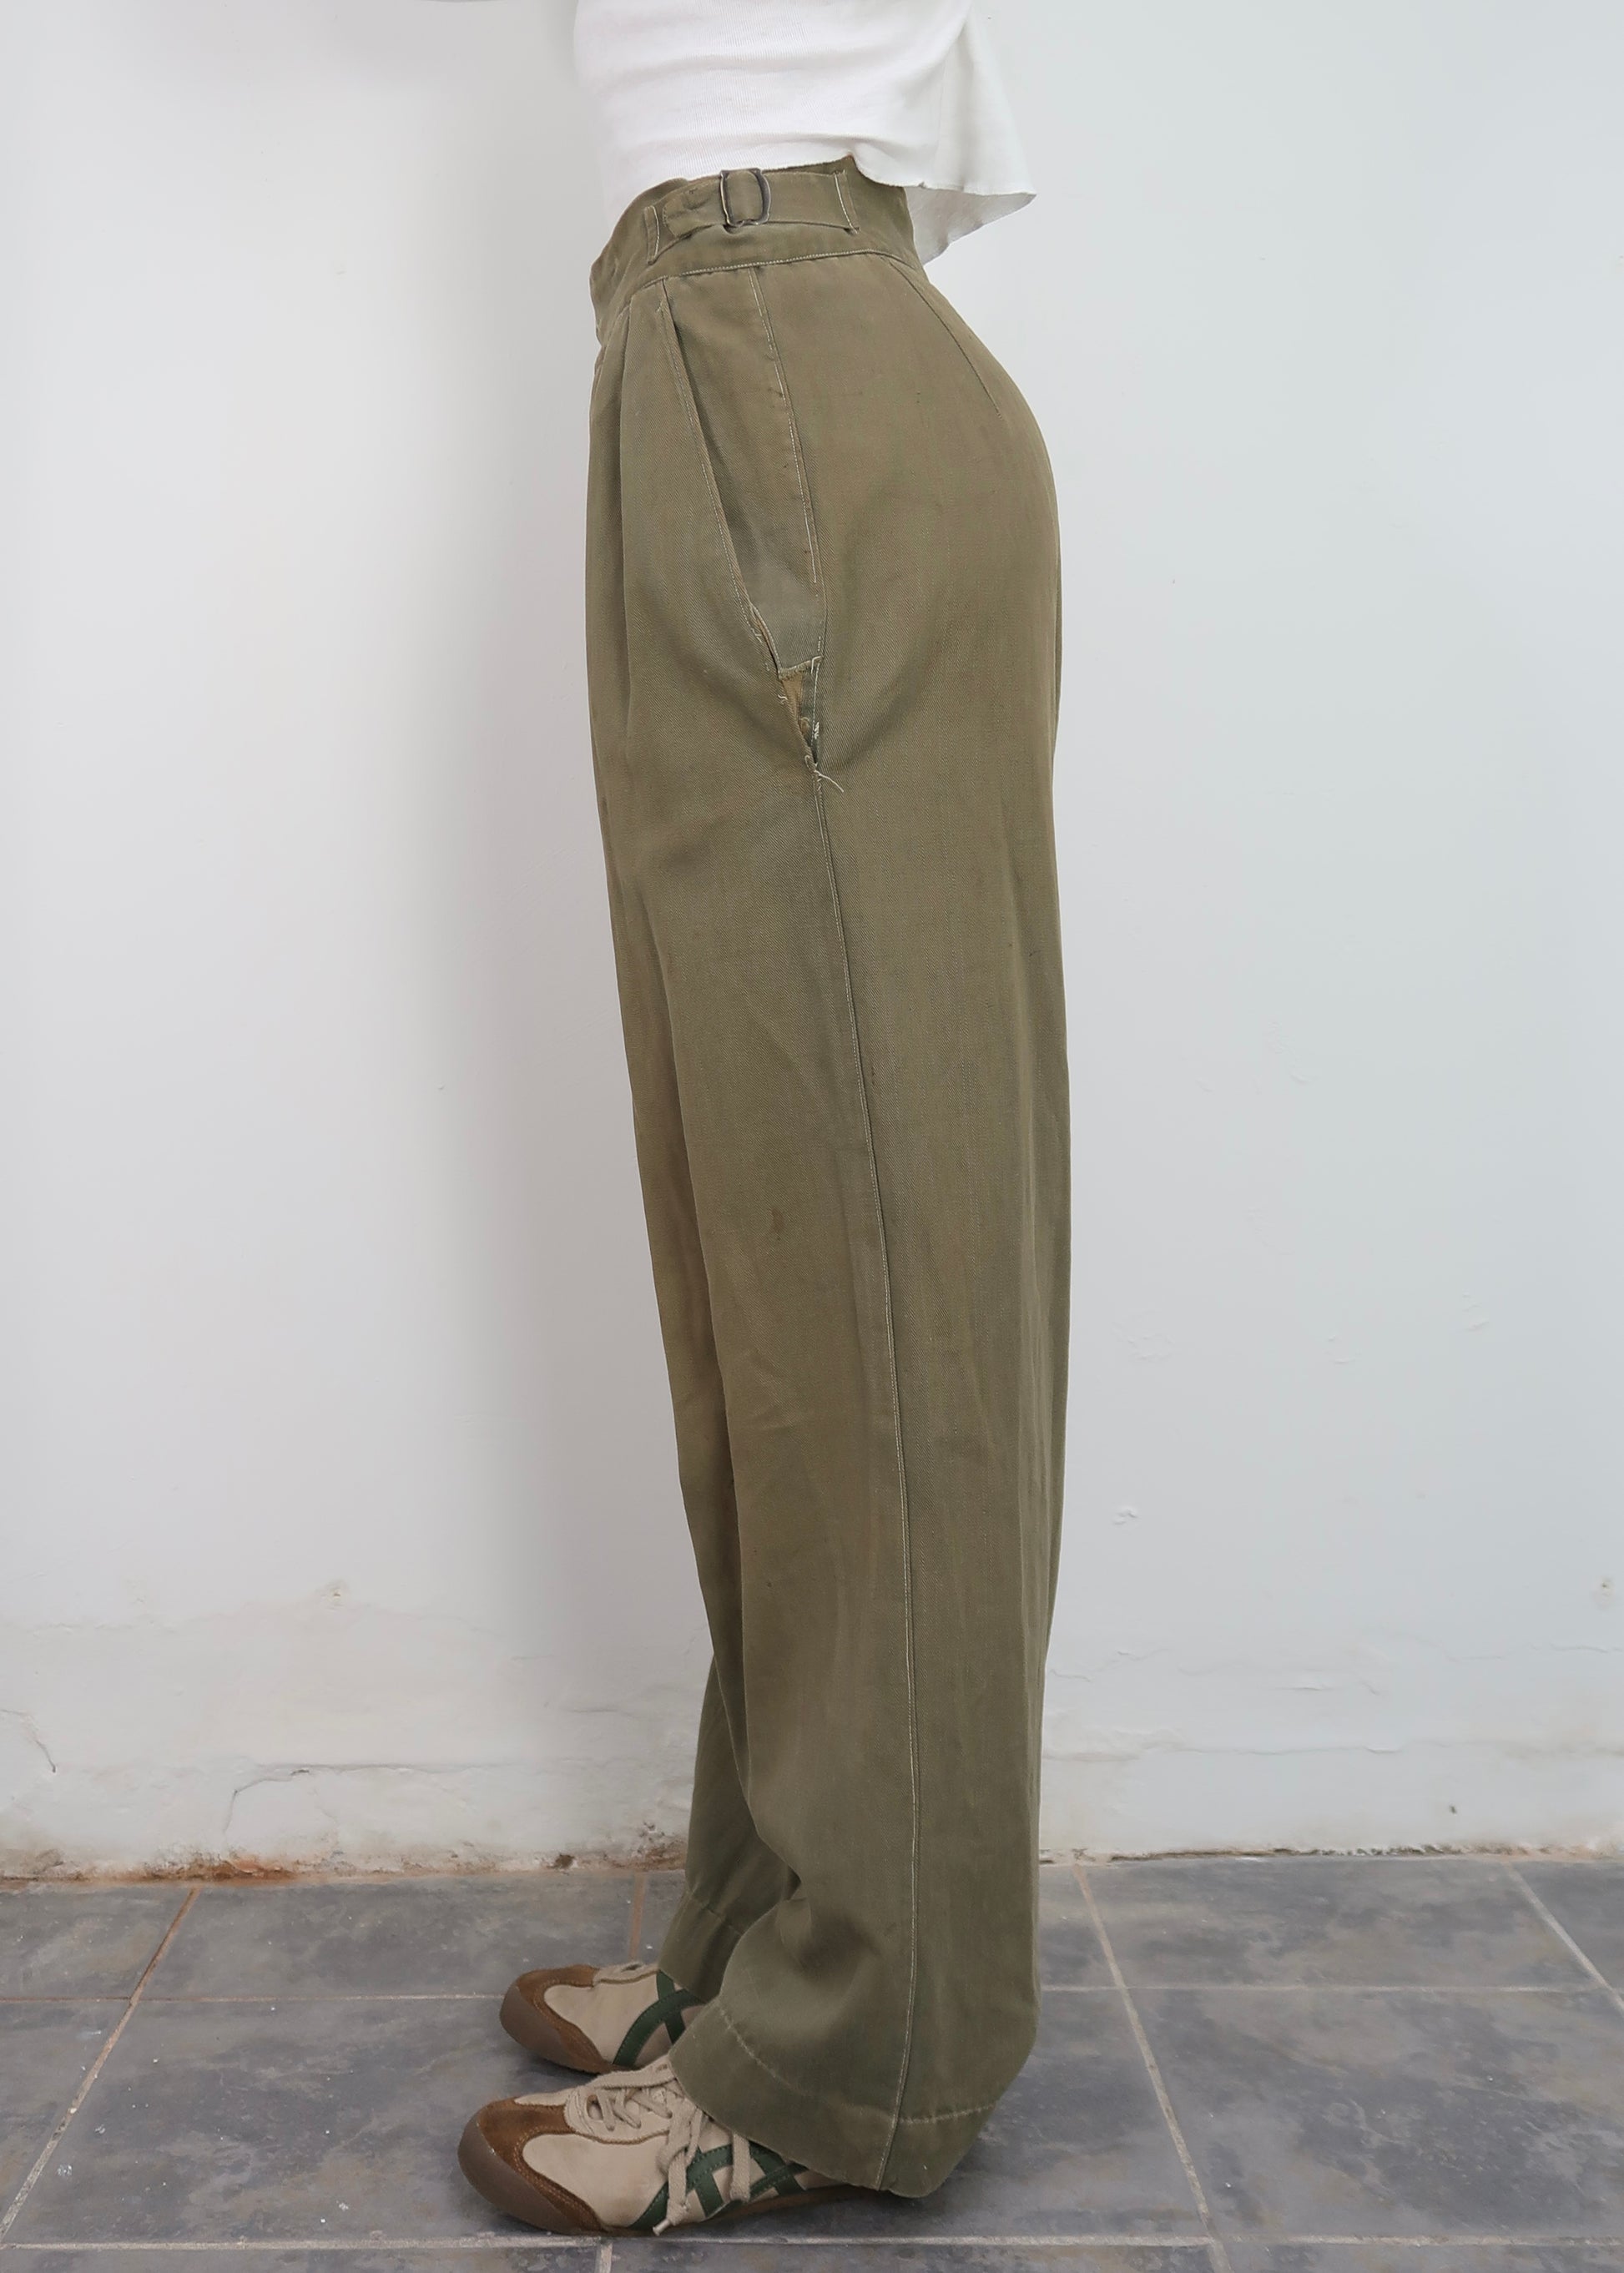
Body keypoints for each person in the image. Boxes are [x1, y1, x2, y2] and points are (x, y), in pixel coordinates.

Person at [456, 0, 1071, 2237]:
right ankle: (769, 1939)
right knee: (776, 1253)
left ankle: (858, 2046)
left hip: (780, 345)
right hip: (723, 345)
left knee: (873, 1260)